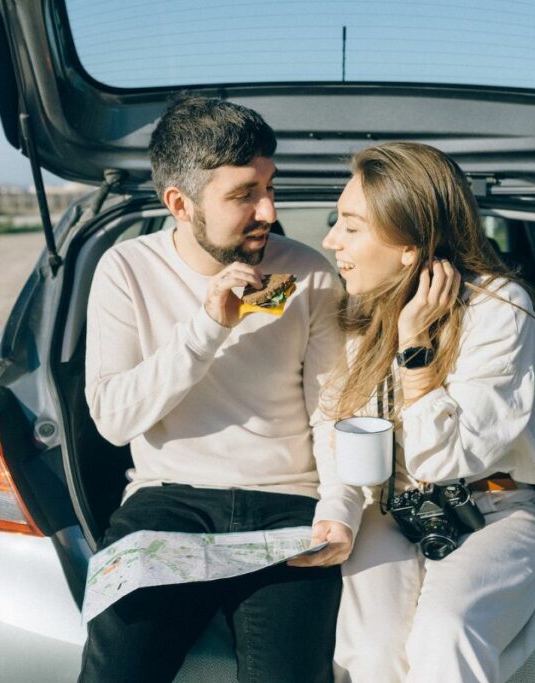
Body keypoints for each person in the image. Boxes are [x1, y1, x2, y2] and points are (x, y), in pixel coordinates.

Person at [78, 96, 363, 683]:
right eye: (243, 195)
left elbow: (332, 408)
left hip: (288, 506)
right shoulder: (126, 269)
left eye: (268, 186)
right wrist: (208, 328)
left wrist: (340, 509)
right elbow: (112, 418)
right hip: (168, 502)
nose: (268, 209)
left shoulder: (307, 272)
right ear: (179, 205)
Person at [319, 142, 535, 682]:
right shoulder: (362, 305)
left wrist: (416, 353)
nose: (330, 240)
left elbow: (445, 459)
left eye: (350, 226)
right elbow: (332, 423)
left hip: (494, 510)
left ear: (409, 246)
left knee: (445, 631)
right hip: (392, 508)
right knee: (371, 652)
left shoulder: (502, 309)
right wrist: (335, 509)